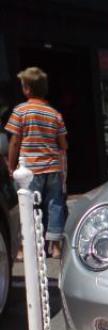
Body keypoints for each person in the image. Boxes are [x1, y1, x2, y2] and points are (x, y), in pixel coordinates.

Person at [4, 67, 68, 259]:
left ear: (27, 89)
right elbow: (63, 144)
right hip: (53, 168)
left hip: (30, 169)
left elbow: (15, 141)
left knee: (28, 207)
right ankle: (55, 247)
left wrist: (12, 165)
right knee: (54, 206)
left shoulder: (20, 111)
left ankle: (25, 248)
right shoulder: (54, 114)